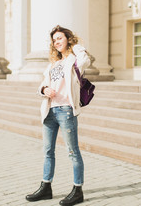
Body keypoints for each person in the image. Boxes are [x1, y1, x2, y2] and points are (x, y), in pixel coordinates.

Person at [26, 25, 91, 206]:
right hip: (50, 112)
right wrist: (45, 89)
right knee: (48, 151)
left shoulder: (74, 61)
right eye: (54, 40)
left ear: (68, 39)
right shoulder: (52, 64)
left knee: (73, 151)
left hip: (66, 111)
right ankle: (46, 187)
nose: (57, 42)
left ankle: (78, 190)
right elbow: (42, 85)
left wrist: (75, 44)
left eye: (60, 38)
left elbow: (85, 59)